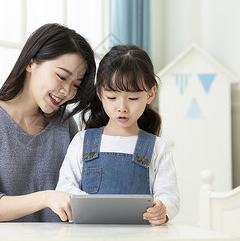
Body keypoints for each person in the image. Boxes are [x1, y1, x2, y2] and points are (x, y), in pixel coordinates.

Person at [0, 23, 96, 224]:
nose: (67, 91)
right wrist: (46, 197)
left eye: (75, 85)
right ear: (31, 63)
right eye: (61, 76)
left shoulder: (64, 126)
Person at [56, 44, 180, 225]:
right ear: (100, 93)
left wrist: (163, 209)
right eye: (112, 97)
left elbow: (170, 196)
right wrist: (92, 206)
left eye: (133, 98)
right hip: (90, 236)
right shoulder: (82, 141)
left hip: (140, 237)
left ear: (151, 94)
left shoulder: (157, 147)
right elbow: (65, 187)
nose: (122, 107)